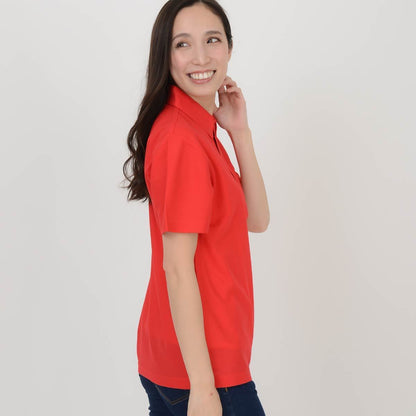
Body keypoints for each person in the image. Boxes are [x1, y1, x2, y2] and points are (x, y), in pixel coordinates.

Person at [122, 0, 270, 414]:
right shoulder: (181, 139)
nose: (201, 58)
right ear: (164, 54)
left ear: (229, 47)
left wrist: (239, 132)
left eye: (212, 40)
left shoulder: (196, 127)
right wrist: (203, 389)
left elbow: (257, 219)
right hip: (203, 372)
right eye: (183, 44)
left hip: (186, 361)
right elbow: (176, 266)